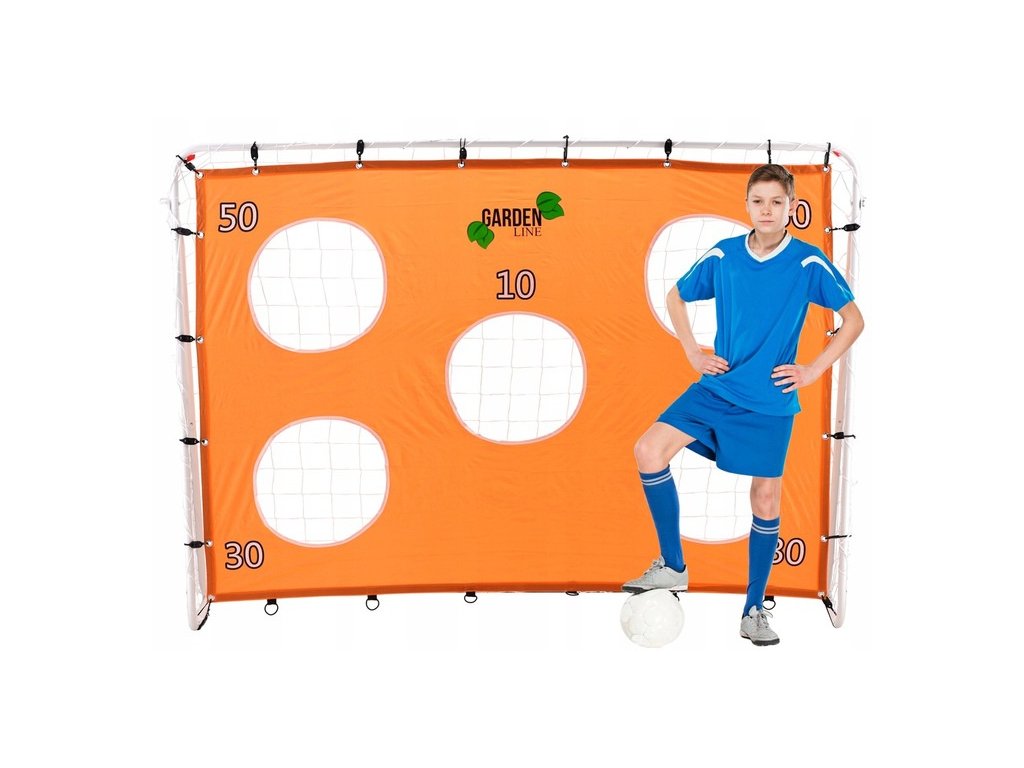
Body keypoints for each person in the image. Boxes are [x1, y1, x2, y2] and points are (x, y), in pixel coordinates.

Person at [623, 164, 864, 646]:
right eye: (758, 201)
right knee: (648, 450)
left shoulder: (808, 262)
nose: (767, 210)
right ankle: (673, 565)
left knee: (765, 498)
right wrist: (692, 352)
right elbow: (675, 297)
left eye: (777, 202)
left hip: (770, 401)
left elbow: (854, 320)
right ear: (747, 205)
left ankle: (753, 610)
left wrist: (812, 370)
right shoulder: (725, 254)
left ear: (792, 207)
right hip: (716, 390)